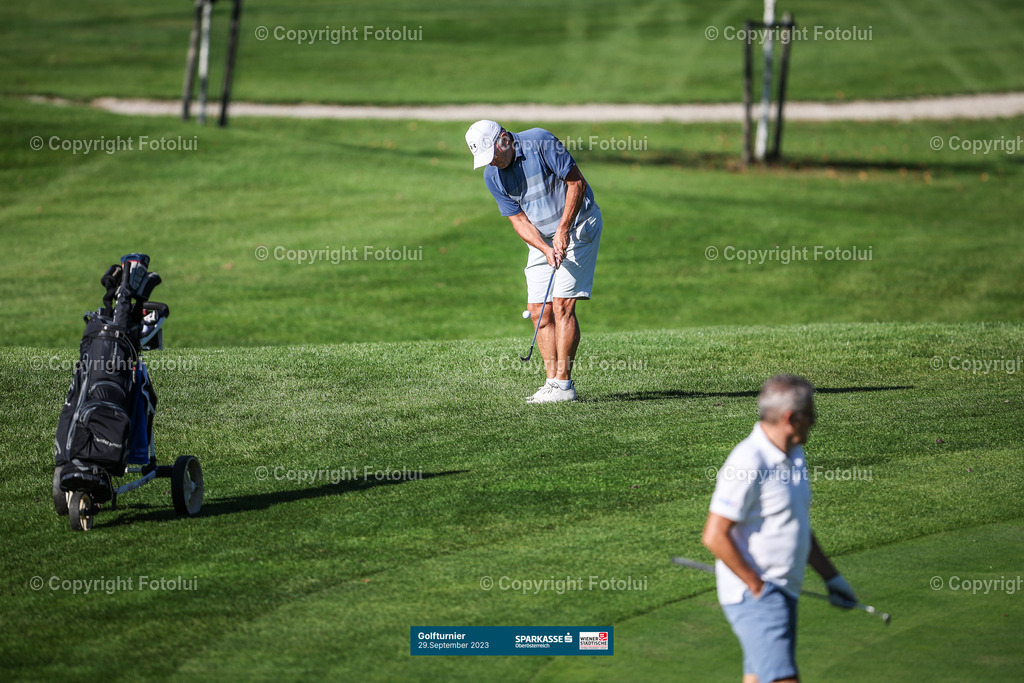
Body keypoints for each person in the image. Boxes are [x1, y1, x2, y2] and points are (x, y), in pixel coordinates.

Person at [701, 374, 858, 683]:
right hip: (758, 594)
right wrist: (758, 587)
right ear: (790, 418)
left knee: (757, 677)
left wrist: (832, 577)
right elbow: (714, 535)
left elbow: (796, 525)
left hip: (783, 589)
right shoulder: (748, 461)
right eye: (811, 415)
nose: (814, 422)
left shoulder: (794, 455)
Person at [465, 120, 602, 403]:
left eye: (493, 155)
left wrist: (563, 230)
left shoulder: (540, 141)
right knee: (539, 310)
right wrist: (544, 247)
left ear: (504, 139)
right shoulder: (493, 176)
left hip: (578, 225)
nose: (492, 163)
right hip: (543, 237)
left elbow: (576, 183)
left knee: (562, 304)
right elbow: (518, 220)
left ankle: (564, 385)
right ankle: (552, 383)